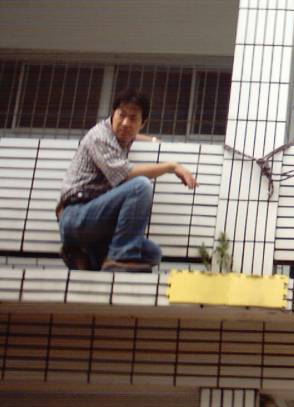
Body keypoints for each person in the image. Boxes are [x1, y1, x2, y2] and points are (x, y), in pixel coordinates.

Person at [56, 89, 198, 272]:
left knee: (152, 253)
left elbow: (133, 135)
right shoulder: (100, 136)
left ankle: (84, 254)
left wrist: (154, 141)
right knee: (140, 187)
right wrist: (171, 166)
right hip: (77, 216)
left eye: (133, 118)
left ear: (142, 123)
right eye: (121, 115)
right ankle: (118, 258)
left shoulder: (123, 137)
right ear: (112, 114)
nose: (125, 123)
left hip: (98, 223)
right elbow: (125, 174)